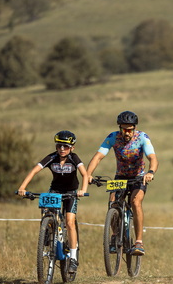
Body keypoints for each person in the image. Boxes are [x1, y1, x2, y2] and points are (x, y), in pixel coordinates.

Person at [85, 111, 158, 256]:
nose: (127, 133)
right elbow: (98, 157)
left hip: (139, 177)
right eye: (124, 129)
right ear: (120, 128)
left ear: (134, 128)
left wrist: (150, 172)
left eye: (130, 130)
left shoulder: (142, 137)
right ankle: (115, 235)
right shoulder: (113, 137)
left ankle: (139, 242)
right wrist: (88, 174)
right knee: (113, 203)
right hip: (120, 177)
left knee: (136, 202)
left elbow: (152, 158)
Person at [17, 130, 89, 273]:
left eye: (65, 146)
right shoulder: (52, 157)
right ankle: (47, 231)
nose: (62, 149)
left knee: (69, 222)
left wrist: (83, 190)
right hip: (55, 190)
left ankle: (73, 258)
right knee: (46, 210)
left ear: (72, 148)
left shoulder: (74, 158)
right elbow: (34, 171)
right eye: (59, 146)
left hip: (71, 192)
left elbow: (84, 174)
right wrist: (22, 187)